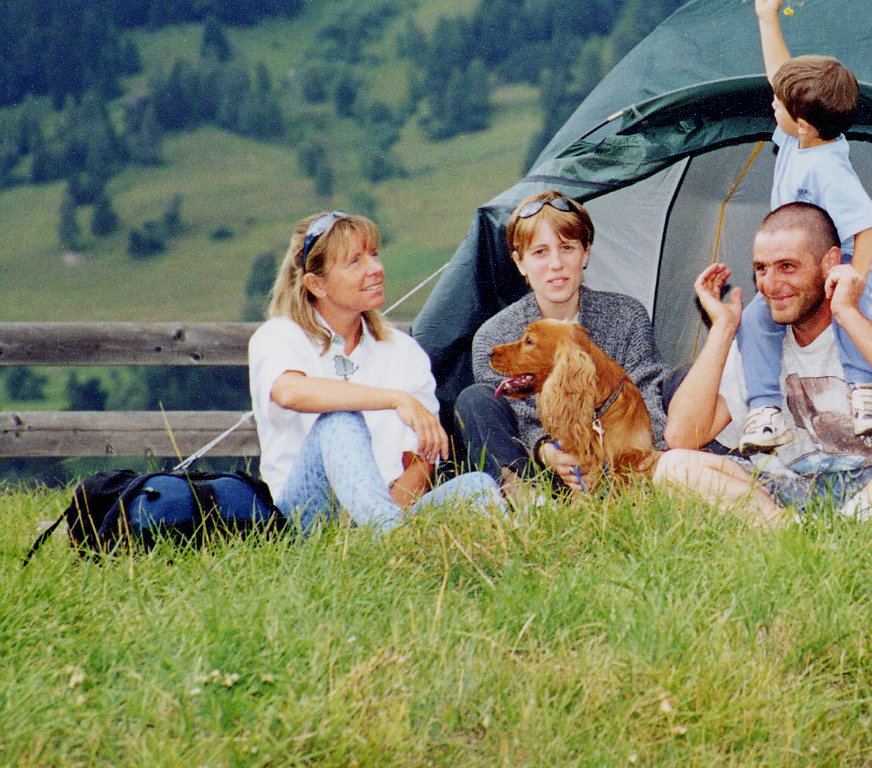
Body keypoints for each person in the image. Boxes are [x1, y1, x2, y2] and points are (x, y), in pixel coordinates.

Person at [654, 203, 872, 526]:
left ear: (829, 262)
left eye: (787, 266)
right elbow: (682, 435)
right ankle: (791, 530)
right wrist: (723, 330)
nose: (769, 285)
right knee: (673, 468)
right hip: (791, 489)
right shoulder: (757, 338)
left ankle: (857, 520)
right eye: (761, 268)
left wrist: (848, 313)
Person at [250, 211, 501, 534]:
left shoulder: (403, 350)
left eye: (373, 255)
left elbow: (423, 458)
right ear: (317, 284)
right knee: (340, 422)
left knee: (476, 487)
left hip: (384, 516)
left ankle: (387, 542)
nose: (376, 269)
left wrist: (386, 517)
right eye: (355, 262)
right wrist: (396, 400)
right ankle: (392, 540)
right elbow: (290, 392)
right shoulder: (280, 336)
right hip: (305, 519)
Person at [737, 0, 872, 454]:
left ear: (800, 120)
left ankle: (865, 392)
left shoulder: (827, 164)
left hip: (835, 271)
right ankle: (765, 411)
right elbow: (780, 77)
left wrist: (852, 282)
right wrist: (768, 19)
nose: (771, 103)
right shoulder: (799, 139)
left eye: (777, 104)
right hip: (798, 269)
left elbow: (866, 227)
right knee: (755, 321)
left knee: (850, 316)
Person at [456, 190, 669, 498]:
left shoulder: (626, 315)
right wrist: (549, 452)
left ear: (585, 253)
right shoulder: (495, 336)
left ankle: (696, 477)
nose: (556, 264)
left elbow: (648, 390)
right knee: (475, 400)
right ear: (520, 263)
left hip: (622, 462)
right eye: (540, 252)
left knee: (679, 381)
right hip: (541, 469)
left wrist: (643, 454)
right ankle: (527, 506)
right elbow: (516, 415)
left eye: (567, 248)